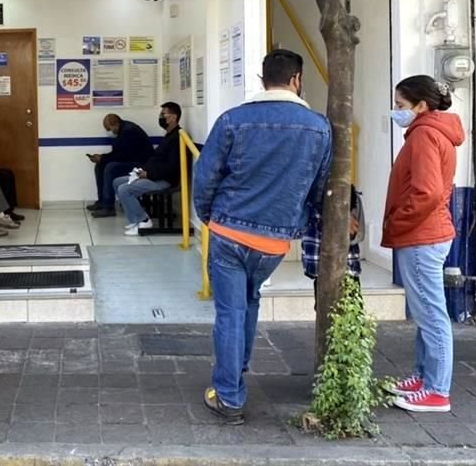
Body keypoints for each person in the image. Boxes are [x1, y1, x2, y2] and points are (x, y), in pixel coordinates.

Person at [192, 49, 331, 425]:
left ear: (261, 79)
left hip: (228, 231)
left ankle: (229, 395)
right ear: (297, 80)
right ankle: (235, 376)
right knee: (249, 303)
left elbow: (205, 176)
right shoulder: (319, 127)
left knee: (230, 313)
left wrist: (209, 217)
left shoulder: (233, 120)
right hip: (274, 242)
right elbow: (319, 188)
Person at [383, 75, 464, 413]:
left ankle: (436, 391)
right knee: (426, 312)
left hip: (421, 236)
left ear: (421, 106)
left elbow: (426, 192)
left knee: (431, 314)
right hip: (429, 234)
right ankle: (422, 377)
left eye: (401, 106)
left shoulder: (424, 135)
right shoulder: (436, 131)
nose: (396, 112)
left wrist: (398, 223)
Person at [111, 102, 183, 236]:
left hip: (163, 180)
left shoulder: (177, 138)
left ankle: (144, 220)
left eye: (163, 114)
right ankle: (134, 220)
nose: (160, 117)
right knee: (117, 182)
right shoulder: (168, 136)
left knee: (124, 189)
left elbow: (171, 168)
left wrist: (148, 173)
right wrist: (141, 170)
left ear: (173, 117)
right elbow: (156, 160)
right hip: (151, 175)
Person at [301, 184, 365, 304]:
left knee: (335, 313)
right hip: (336, 270)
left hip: (339, 270)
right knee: (349, 313)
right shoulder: (312, 199)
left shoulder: (312, 198)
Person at [87, 113, 154, 218]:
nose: (108, 132)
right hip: (132, 160)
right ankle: (102, 201)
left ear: (116, 124)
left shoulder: (128, 131)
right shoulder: (123, 130)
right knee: (101, 165)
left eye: (109, 128)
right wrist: (102, 158)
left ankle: (108, 207)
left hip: (142, 164)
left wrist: (103, 158)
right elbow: (118, 153)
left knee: (110, 168)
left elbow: (123, 155)